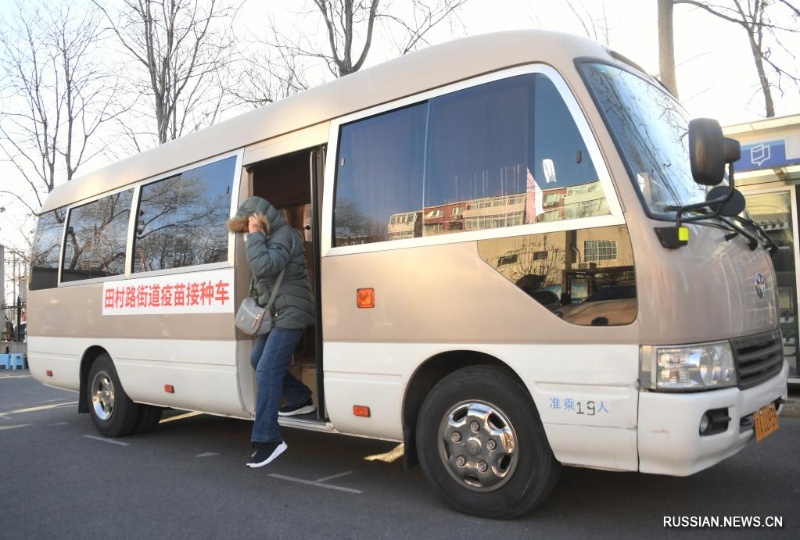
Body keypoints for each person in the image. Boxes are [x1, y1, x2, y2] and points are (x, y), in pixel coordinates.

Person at [227, 196, 316, 468]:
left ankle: (269, 439)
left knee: (267, 369)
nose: (246, 232)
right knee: (257, 361)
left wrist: (254, 237)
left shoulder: (285, 235)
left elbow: (266, 266)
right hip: (277, 313)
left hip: (291, 313)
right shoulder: (269, 238)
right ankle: (301, 397)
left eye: (248, 226)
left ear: (259, 219)